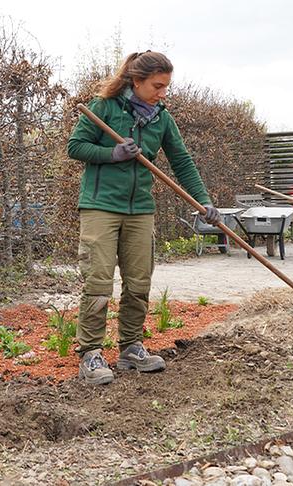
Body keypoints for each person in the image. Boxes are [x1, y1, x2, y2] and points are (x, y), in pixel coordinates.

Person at [66, 51, 221, 386]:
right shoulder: (104, 107)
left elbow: (182, 161)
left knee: (139, 283)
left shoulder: (161, 117)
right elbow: (75, 146)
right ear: (136, 81)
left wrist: (203, 202)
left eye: (165, 86)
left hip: (140, 210)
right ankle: (91, 354)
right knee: (98, 283)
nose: (163, 92)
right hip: (100, 206)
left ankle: (130, 348)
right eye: (157, 85)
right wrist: (112, 154)